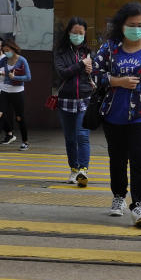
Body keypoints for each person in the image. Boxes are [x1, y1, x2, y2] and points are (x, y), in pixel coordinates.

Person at [93, 1, 141, 227]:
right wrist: (117, 81)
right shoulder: (109, 48)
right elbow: (95, 75)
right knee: (118, 159)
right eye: (132, 24)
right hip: (115, 113)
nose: (136, 28)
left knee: (140, 160)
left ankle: (139, 205)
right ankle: (119, 196)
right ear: (122, 25)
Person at [53, 17, 94, 186]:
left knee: (82, 135)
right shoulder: (60, 52)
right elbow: (63, 72)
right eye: (74, 32)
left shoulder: (88, 52)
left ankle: (83, 170)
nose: (78, 35)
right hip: (65, 100)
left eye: (81, 33)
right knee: (70, 138)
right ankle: (74, 169)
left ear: (85, 34)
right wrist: (81, 65)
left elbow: (95, 72)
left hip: (84, 98)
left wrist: (91, 69)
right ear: (68, 32)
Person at [0, 39, 31, 150]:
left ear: (13, 49)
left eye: (8, 50)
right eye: (4, 51)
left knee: (19, 117)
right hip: (5, 91)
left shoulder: (22, 60)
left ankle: (25, 141)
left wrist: (15, 77)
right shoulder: (4, 59)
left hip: (17, 91)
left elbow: (28, 77)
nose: (6, 53)